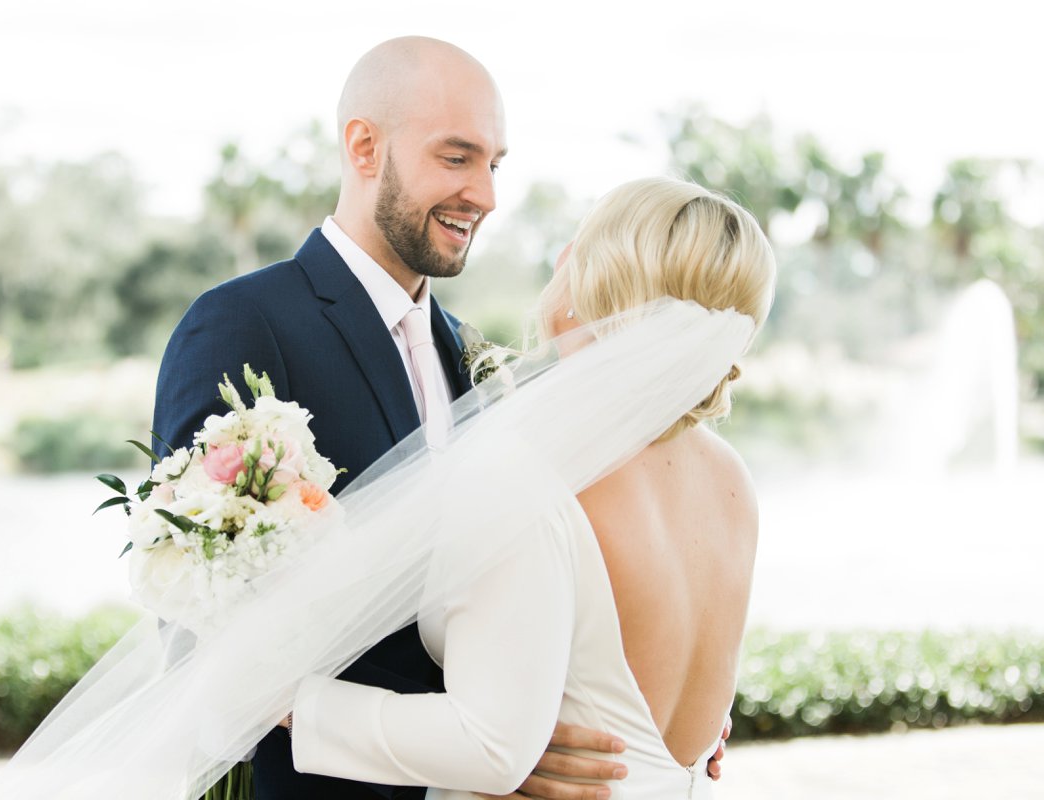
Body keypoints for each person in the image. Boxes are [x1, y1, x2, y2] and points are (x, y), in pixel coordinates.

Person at [150, 35, 649, 800]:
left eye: (494, 163)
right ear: (363, 146)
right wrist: (484, 746)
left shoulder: (469, 355)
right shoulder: (245, 325)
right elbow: (200, 623)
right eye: (457, 158)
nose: (484, 195)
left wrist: (651, 729)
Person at [279, 176, 776, 799]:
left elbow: (490, 747)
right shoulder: (732, 479)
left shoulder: (535, 464)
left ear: (599, 283)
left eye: (579, 243)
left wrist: (286, 701)